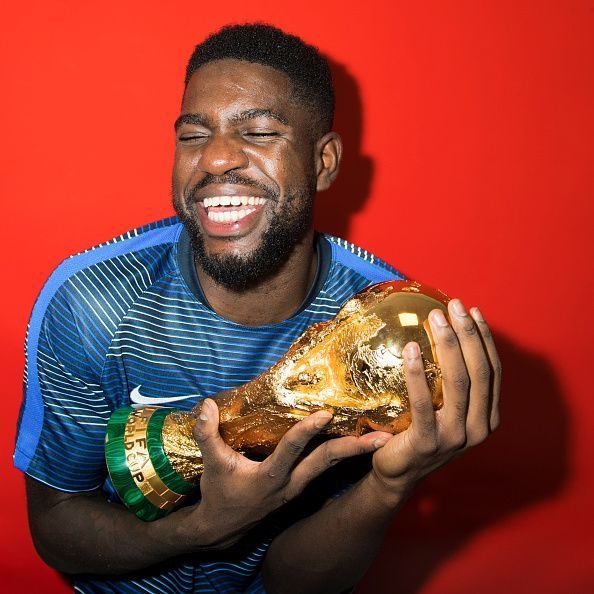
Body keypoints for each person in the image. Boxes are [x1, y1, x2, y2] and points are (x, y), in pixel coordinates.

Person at [14, 23, 501, 594]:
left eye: (260, 132)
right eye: (194, 136)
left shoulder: (387, 331)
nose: (216, 159)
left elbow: (294, 583)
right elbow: (54, 525)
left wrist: (390, 487)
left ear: (324, 161)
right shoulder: (95, 301)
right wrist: (203, 528)